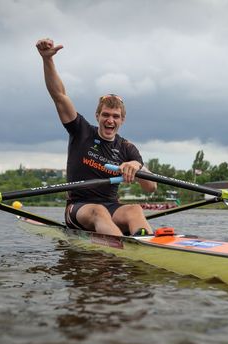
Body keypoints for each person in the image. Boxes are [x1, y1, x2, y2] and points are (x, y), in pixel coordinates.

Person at [36, 37, 157, 236]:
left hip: (111, 207)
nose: (110, 120)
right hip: (79, 208)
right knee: (98, 211)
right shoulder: (81, 131)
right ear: (97, 116)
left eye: (115, 116)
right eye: (106, 115)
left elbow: (150, 188)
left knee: (135, 209)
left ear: (122, 120)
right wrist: (47, 59)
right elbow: (59, 96)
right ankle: (124, 254)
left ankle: (146, 247)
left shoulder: (127, 148)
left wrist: (138, 167)